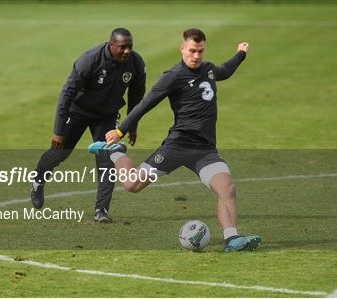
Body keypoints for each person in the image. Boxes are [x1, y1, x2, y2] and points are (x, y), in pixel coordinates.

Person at [88, 28, 261, 252]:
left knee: (227, 189)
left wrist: (241, 54)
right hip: (177, 146)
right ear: (182, 48)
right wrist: (120, 132)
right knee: (132, 184)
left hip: (205, 149)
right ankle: (116, 152)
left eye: (200, 51)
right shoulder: (173, 76)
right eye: (191, 51)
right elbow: (145, 104)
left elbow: (224, 71)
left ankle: (232, 239)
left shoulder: (207, 70)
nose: (196, 56)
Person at [31, 28, 146, 223]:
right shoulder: (90, 60)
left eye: (130, 47)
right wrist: (59, 131)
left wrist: (131, 127)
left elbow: (136, 97)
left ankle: (101, 211)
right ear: (111, 45)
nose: (127, 51)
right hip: (78, 112)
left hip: (107, 117)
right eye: (122, 47)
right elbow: (67, 93)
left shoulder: (135, 63)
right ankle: (38, 180)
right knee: (59, 153)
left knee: (106, 159)